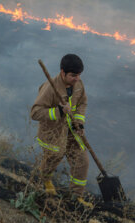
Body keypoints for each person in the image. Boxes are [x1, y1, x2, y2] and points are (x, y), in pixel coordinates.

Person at [30, 54, 93, 208]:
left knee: (82, 162)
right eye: (73, 75)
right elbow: (35, 113)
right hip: (54, 133)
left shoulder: (79, 85)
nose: (76, 79)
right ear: (63, 72)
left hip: (72, 131)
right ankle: (45, 180)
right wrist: (58, 111)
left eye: (78, 75)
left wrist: (80, 122)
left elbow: (82, 103)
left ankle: (76, 198)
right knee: (54, 157)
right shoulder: (50, 88)